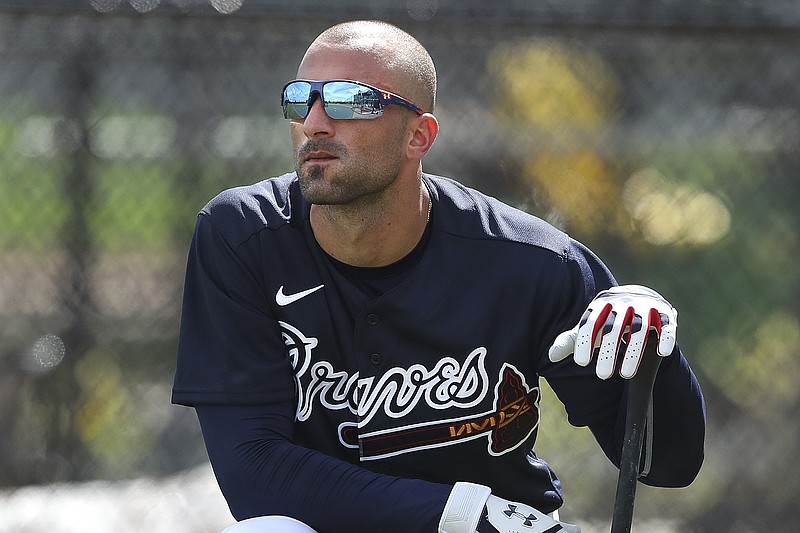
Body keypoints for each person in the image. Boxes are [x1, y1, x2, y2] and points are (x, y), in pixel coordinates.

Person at [172, 20, 705, 533]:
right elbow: (253, 473)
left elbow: (666, 465)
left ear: (418, 137)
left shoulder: (533, 260)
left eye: (349, 100)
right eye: (299, 99)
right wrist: (461, 515)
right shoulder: (241, 236)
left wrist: (658, 357)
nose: (314, 122)